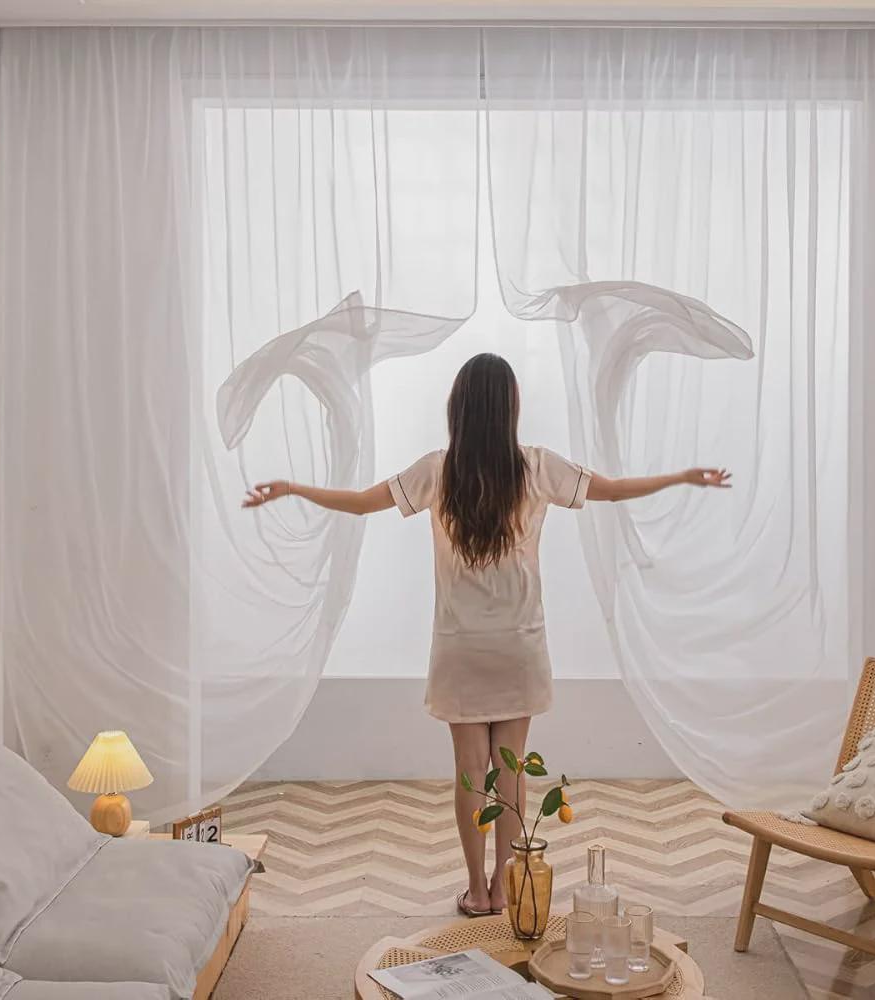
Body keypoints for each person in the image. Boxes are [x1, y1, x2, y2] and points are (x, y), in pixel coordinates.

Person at [243, 352, 731, 917]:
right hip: (519, 644)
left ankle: (476, 890)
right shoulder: (537, 467)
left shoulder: (438, 470)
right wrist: (681, 477)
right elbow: (614, 490)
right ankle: (505, 886)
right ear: (510, 409)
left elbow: (359, 505)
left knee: (470, 771)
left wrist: (293, 488)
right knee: (511, 769)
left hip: (459, 647)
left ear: (459, 407)